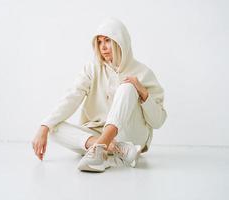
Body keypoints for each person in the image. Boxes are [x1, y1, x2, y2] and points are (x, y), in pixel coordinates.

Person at [31, 18, 167, 172]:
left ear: (121, 41)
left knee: (128, 86)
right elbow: (72, 96)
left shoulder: (143, 72)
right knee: (53, 127)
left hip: (132, 136)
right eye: (100, 42)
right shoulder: (92, 68)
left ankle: (99, 149)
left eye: (108, 40)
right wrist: (44, 126)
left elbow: (158, 121)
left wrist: (142, 92)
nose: (103, 47)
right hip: (106, 136)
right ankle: (113, 148)